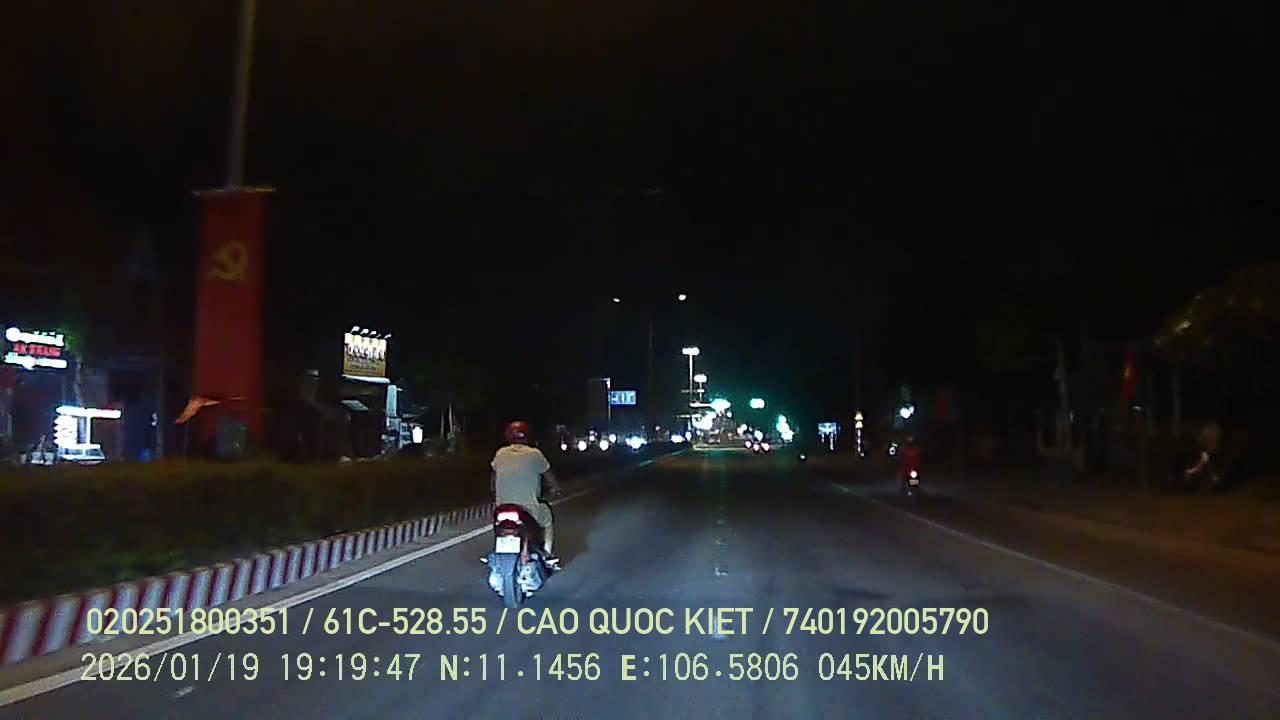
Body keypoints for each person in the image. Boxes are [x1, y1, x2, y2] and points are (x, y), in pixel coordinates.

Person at [491, 421, 563, 570]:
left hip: (502, 507)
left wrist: (494, 491)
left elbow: (493, 478)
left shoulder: (500, 453)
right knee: (547, 518)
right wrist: (556, 488)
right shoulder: (535, 454)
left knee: (498, 525)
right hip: (528, 509)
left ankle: (499, 550)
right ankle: (547, 555)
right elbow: (549, 476)